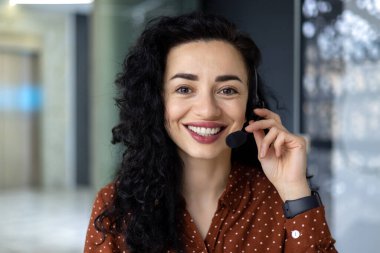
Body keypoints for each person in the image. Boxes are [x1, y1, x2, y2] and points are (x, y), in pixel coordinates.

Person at [84, 12, 337, 253]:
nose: (207, 110)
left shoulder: (281, 198)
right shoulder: (116, 206)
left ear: (251, 103)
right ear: (157, 101)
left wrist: (294, 190)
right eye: (184, 89)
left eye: (227, 90)